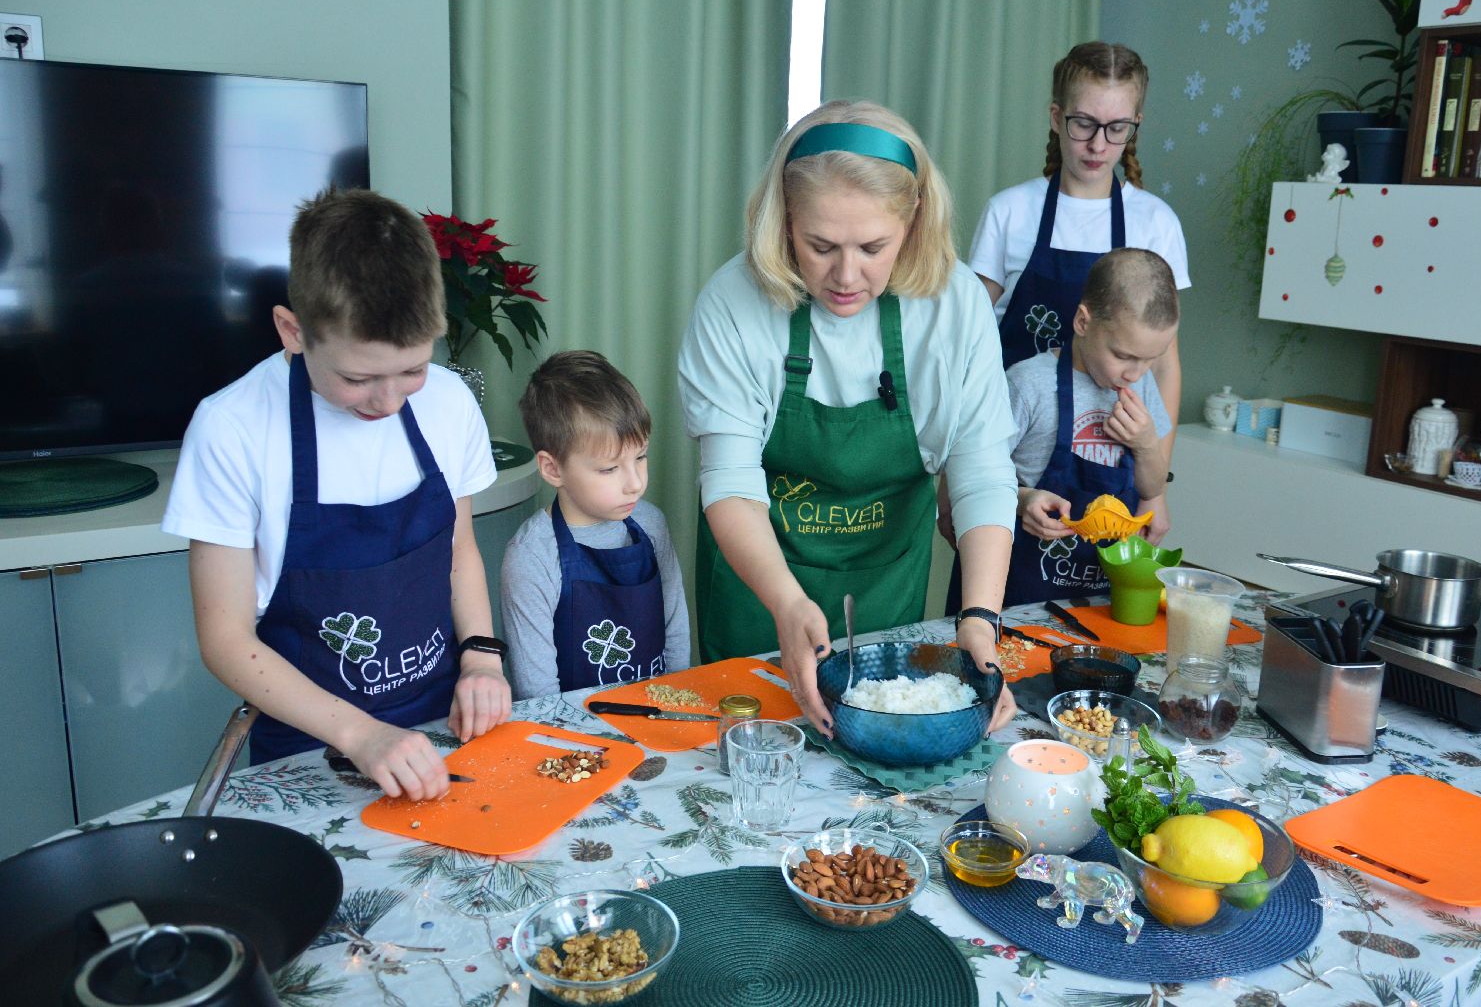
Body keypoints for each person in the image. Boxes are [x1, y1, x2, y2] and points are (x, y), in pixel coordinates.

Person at [678, 100, 1018, 736]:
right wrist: (784, 601)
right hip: (760, 601)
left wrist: (980, 617)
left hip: (886, 601)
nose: (845, 275)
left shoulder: (956, 305)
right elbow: (728, 478)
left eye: (873, 247)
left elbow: (981, 471)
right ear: (783, 221)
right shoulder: (733, 302)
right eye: (820, 245)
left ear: (914, 219)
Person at [163, 188, 511, 801]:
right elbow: (225, 639)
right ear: (292, 331)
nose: (390, 400)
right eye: (358, 378)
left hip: (444, 725)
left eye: (412, 369)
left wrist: (481, 659)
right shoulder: (233, 428)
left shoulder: (450, 403)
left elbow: (459, 553)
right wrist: (362, 734)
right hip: (310, 750)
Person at [965, 41, 1190, 544]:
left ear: (1135, 125)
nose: (1097, 144)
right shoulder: (1010, 212)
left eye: (1117, 129)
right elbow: (969, 346)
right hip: (1012, 465)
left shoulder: (1155, 222)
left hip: (1110, 461)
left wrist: (1156, 490)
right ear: (1055, 116)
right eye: (1082, 123)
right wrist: (955, 483)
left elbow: (1167, 364)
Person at [501, 350, 691, 699]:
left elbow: (675, 629)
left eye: (640, 457)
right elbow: (537, 692)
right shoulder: (531, 556)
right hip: (574, 737)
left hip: (656, 714)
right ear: (553, 469)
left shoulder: (651, 524)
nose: (635, 482)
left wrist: (678, 705)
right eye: (609, 469)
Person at [1004, 248, 1177, 606]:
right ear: (1083, 322)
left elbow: (1152, 486)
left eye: (1150, 360)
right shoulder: (1029, 384)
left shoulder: (1141, 386)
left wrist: (1146, 445)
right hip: (1024, 592)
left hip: (1101, 596)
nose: (1135, 373)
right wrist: (1023, 500)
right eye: (1124, 356)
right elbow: (975, 477)